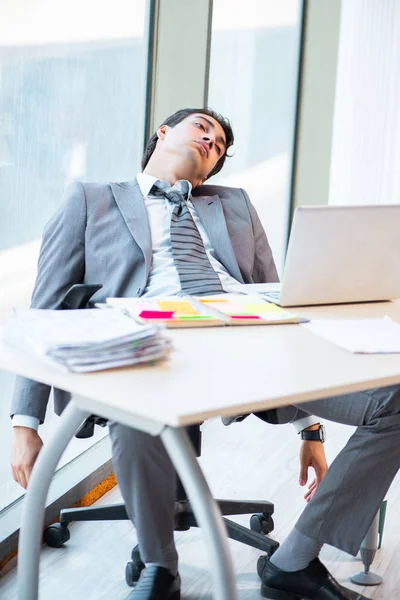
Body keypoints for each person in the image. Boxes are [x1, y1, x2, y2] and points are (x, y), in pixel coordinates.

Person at [10, 107, 397, 600]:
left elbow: (277, 290)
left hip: (255, 341)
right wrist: (26, 423)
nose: (212, 140)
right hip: (152, 344)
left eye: (219, 144)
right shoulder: (91, 199)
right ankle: (160, 566)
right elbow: (44, 308)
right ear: (163, 132)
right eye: (202, 128)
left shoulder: (232, 206)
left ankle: (294, 560)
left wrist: (310, 429)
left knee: (394, 400)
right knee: (135, 410)